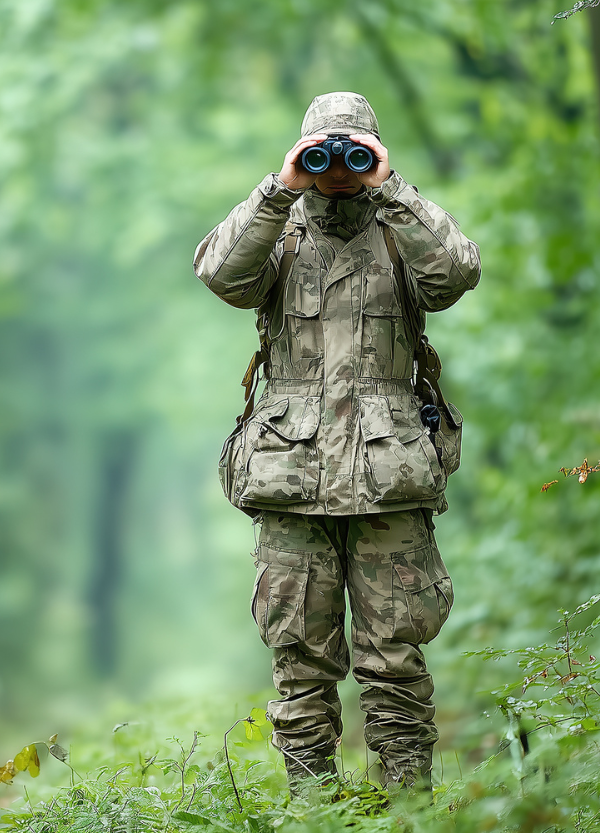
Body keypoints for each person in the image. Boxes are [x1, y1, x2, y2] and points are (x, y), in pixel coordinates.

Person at [194, 91, 480, 791]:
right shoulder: (280, 231)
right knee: (298, 661)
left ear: (376, 154)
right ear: (302, 155)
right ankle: (312, 810)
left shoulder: (400, 230)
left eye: (356, 153)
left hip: (390, 481)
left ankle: (407, 808)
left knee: (395, 661)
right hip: (293, 484)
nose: (340, 169)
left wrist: (394, 187)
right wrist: (276, 188)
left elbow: (457, 273)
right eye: (324, 154)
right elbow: (219, 274)